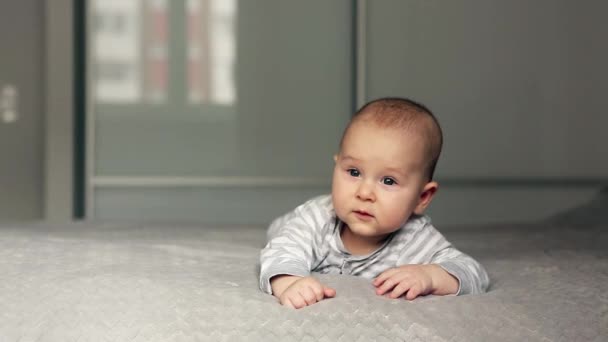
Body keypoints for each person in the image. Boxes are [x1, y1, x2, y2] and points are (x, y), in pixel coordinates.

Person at [259, 97, 489, 309]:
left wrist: (429, 276)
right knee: (281, 233)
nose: (365, 192)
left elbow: (473, 273)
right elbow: (282, 251)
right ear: (336, 166)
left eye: (388, 180)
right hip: (290, 227)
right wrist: (290, 282)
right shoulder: (318, 217)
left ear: (422, 198)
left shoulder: (415, 239)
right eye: (354, 172)